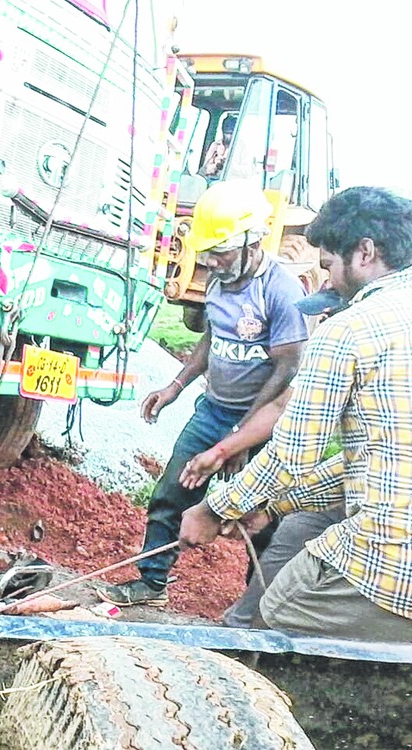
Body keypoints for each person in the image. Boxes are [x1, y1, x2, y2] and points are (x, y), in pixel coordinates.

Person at [180, 186, 412, 641]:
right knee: (300, 528)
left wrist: (213, 509)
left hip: (393, 565)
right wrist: (272, 504)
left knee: (279, 612)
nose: (330, 282)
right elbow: (371, 464)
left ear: (364, 252)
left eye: (328, 265)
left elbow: (292, 455)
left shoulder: (349, 328)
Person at [96, 180, 308, 607]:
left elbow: (288, 366)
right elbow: (211, 340)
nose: (211, 261)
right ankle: (151, 585)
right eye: (206, 252)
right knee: (171, 492)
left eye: (220, 251)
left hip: (262, 423)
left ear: (252, 240)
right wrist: (175, 386)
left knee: (259, 519)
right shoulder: (219, 282)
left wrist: (242, 437)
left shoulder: (281, 292)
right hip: (212, 410)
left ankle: (257, 608)